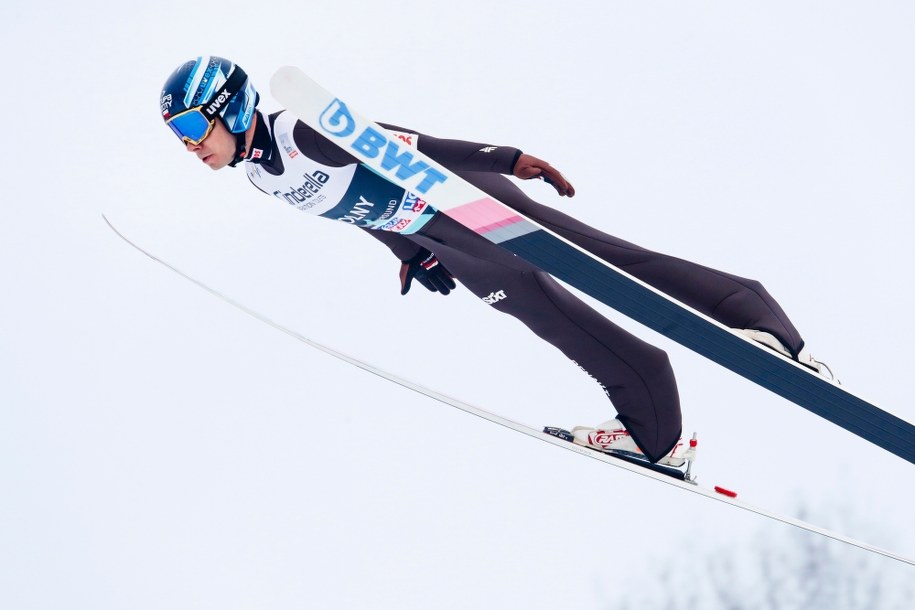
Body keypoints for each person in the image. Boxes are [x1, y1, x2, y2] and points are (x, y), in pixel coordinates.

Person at [160, 56, 832, 467]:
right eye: (177, 137)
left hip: (463, 201)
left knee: (602, 260)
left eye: (193, 128)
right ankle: (654, 428)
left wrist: (502, 159)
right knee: (544, 313)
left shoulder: (301, 133)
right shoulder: (261, 176)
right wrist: (407, 254)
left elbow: (409, 144)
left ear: (231, 107)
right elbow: (348, 210)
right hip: (437, 236)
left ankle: (754, 317)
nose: (190, 147)